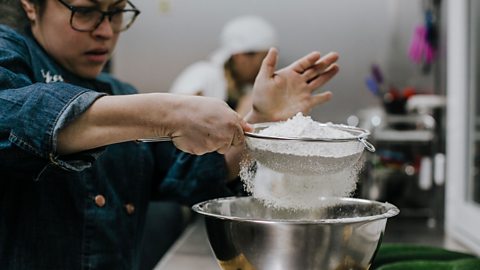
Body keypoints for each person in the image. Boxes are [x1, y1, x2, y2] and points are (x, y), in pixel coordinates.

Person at [0, 0, 339, 269]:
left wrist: (262, 121)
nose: (106, 31)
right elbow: (15, 115)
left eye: (117, 12)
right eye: (85, 11)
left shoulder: (119, 90)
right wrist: (168, 114)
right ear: (31, 4)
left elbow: (192, 173)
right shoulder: (11, 54)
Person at [170, 15, 277, 117]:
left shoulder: (244, 89)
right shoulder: (203, 74)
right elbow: (179, 117)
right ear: (239, 56)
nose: (263, 69)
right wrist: (242, 113)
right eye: (263, 59)